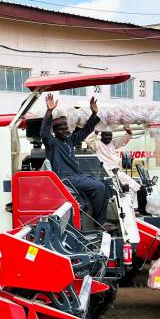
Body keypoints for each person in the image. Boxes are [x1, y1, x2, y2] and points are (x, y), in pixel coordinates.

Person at [40, 93, 109, 227]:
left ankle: (100, 219)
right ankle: (100, 223)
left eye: (66, 128)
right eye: (61, 129)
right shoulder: (52, 143)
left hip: (76, 176)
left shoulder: (70, 140)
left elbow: (85, 131)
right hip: (66, 179)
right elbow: (43, 133)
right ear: (55, 131)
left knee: (104, 184)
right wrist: (49, 111)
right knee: (99, 187)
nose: (65, 131)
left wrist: (94, 113)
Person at [85, 126, 141, 194]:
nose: (108, 137)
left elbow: (124, 140)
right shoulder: (96, 144)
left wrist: (128, 131)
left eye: (110, 135)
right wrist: (96, 131)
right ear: (102, 135)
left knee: (136, 187)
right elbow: (88, 141)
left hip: (117, 172)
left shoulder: (113, 143)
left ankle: (136, 203)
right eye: (106, 135)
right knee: (129, 188)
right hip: (106, 173)